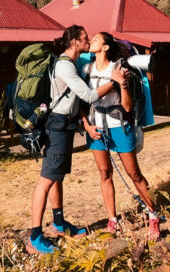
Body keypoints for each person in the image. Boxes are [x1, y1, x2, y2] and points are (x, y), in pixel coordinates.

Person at [26, 25, 123, 254]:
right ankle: (34, 237)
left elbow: (77, 100)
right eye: (85, 38)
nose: (88, 41)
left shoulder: (70, 63)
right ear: (74, 42)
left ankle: (59, 223)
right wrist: (114, 82)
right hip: (57, 126)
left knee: (56, 177)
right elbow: (88, 95)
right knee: (46, 179)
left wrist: (85, 124)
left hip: (65, 124)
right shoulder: (64, 66)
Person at [81, 32, 160, 239]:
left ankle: (153, 215)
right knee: (105, 173)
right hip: (95, 128)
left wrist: (122, 83)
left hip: (119, 125)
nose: (91, 42)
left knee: (134, 174)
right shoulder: (86, 69)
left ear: (106, 47)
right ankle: (112, 220)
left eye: (96, 40)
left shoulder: (118, 69)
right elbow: (80, 102)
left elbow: (127, 105)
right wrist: (86, 125)